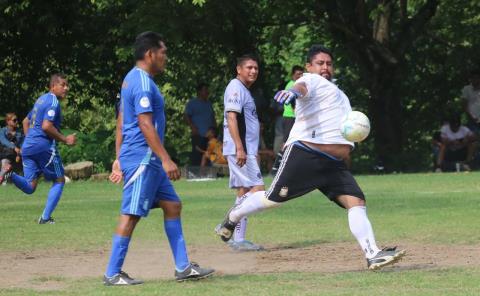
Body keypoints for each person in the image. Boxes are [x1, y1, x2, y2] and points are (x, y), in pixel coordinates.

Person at [215, 45, 406, 270]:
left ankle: (372, 254)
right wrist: (293, 93)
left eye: (329, 63)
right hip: (304, 155)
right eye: (320, 63)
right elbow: (302, 87)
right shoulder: (312, 80)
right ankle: (234, 216)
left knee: (356, 201)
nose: (325, 67)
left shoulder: (339, 94)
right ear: (309, 67)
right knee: (271, 199)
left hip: (333, 163)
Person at [104, 31, 214, 286]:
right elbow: (143, 123)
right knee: (131, 214)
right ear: (150, 54)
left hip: (144, 158)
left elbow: (121, 121)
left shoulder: (130, 80)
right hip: (144, 158)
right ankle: (112, 273)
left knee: (172, 205)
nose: (166, 57)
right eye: (163, 52)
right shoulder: (141, 82)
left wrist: (118, 157)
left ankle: (183, 267)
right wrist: (166, 159)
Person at [0, 74, 76, 224]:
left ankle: (11, 175)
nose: (66, 88)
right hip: (43, 147)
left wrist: (30, 140)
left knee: (30, 187)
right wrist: (65, 139)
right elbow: (46, 126)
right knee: (59, 179)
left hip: (28, 148)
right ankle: (45, 218)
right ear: (53, 86)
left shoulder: (41, 99)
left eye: (67, 85)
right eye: (63, 85)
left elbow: (25, 121)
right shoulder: (53, 101)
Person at [220, 54, 264, 251]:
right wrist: (240, 148)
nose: (253, 71)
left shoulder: (244, 90)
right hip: (241, 149)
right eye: (249, 67)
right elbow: (231, 118)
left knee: (244, 192)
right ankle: (227, 223)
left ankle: (238, 239)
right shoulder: (235, 87)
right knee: (258, 191)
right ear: (239, 69)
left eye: (255, 68)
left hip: (247, 150)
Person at [271, 65, 304, 176]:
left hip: (291, 118)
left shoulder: (297, 84)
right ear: (292, 75)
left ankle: (287, 168)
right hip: (290, 117)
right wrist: (298, 115)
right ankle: (275, 169)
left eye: (301, 74)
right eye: (297, 74)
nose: (300, 76)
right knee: (286, 143)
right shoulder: (292, 85)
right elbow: (292, 103)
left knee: (294, 143)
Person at [184, 83, 216, 166]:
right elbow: (186, 116)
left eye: (207, 90)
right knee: (197, 155)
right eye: (205, 90)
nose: (207, 92)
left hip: (210, 135)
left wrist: (214, 128)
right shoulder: (192, 103)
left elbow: (212, 117)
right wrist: (192, 127)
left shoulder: (209, 104)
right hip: (198, 134)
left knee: (211, 154)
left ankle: (211, 173)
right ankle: (196, 174)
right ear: (199, 91)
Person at [0, 113, 24, 182]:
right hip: (5, 155)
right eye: (14, 120)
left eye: (17, 120)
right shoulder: (2, 131)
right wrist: (14, 147)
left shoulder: (20, 132)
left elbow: (23, 143)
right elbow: (3, 141)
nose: (16, 122)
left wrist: (20, 153)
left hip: (18, 156)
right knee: (6, 165)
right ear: (8, 121)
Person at [462, 69, 480, 135]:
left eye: (476, 78)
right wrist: (472, 117)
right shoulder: (466, 89)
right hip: (472, 121)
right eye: (472, 78)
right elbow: (464, 106)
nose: (474, 80)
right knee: (473, 141)